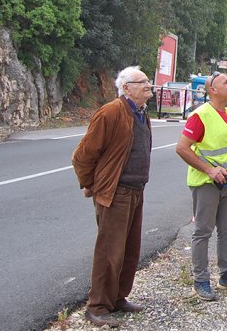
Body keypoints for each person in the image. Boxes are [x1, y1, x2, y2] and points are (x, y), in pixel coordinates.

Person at [71, 66, 154, 328]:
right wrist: (90, 183)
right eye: (142, 82)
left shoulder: (141, 112)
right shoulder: (111, 112)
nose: (148, 85)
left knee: (129, 249)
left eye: (148, 81)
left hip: (135, 190)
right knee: (110, 251)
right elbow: (83, 155)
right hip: (116, 192)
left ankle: (118, 297)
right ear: (126, 88)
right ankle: (97, 306)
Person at [175, 71, 227, 301]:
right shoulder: (200, 116)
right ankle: (201, 280)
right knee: (203, 232)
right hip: (206, 183)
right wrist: (209, 169)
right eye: (226, 82)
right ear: (213, 90)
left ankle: (226, 274)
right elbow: (182, 148)